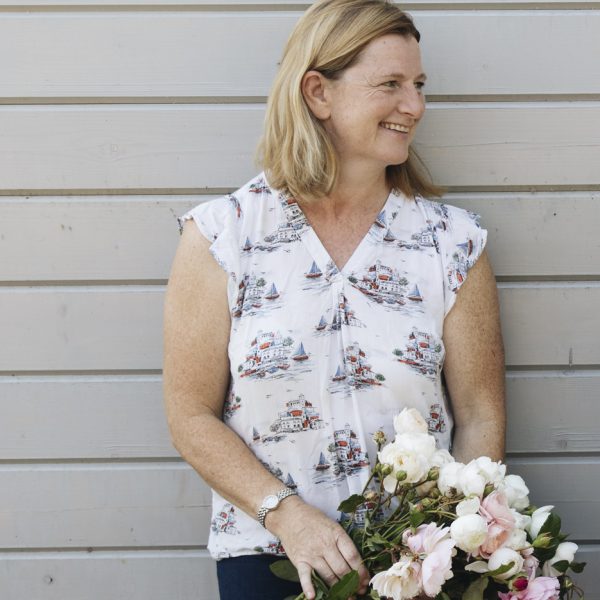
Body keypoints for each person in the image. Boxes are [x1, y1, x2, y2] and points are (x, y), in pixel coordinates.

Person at [163, 1, 506, 598]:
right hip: (270, 559)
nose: (415, 106)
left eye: (419, 85)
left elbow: (480, 416)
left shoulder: (451, 243)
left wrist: (449, 541)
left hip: (417, 567)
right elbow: (190, 415)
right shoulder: (224, 236)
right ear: (318, 93)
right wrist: (286, 515)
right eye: (391, 85)